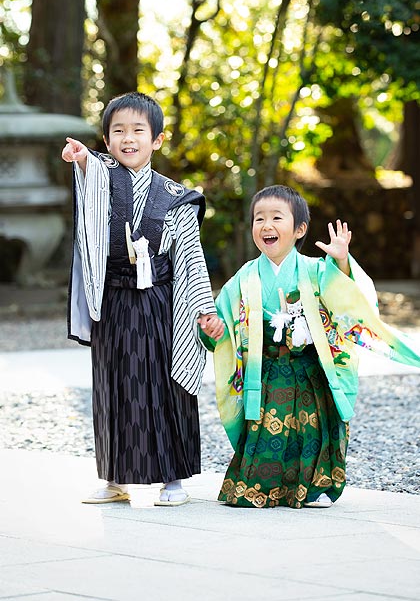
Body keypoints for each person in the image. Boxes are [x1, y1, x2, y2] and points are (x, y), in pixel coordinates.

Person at [199, 184, 420, 509]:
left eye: (277, 217)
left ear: (299, 228)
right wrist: (213, 329)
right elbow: (222, 322)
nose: (266, 225)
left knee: (312, 431)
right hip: (267, 372)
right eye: (259, 218)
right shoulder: (245, 277)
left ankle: (314, 489)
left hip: (309, 369)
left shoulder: (318, 270)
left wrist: (342, 263)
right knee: (265, 433)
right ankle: (261, 488)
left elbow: (352, 300)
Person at [62, 91, 224, 506]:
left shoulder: (176, 196)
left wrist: (204, 308)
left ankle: (173, 480)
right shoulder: (102, 177)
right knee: (112, 386)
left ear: (157, 140)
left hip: (160, 303)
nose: (128, 138)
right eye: (118, 131)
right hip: (113, 299)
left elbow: (191, 256)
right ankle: (116, 477)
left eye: (138, 130)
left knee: (164, 386)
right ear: (107, 139)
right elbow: (91, 169)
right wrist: (81, 158)